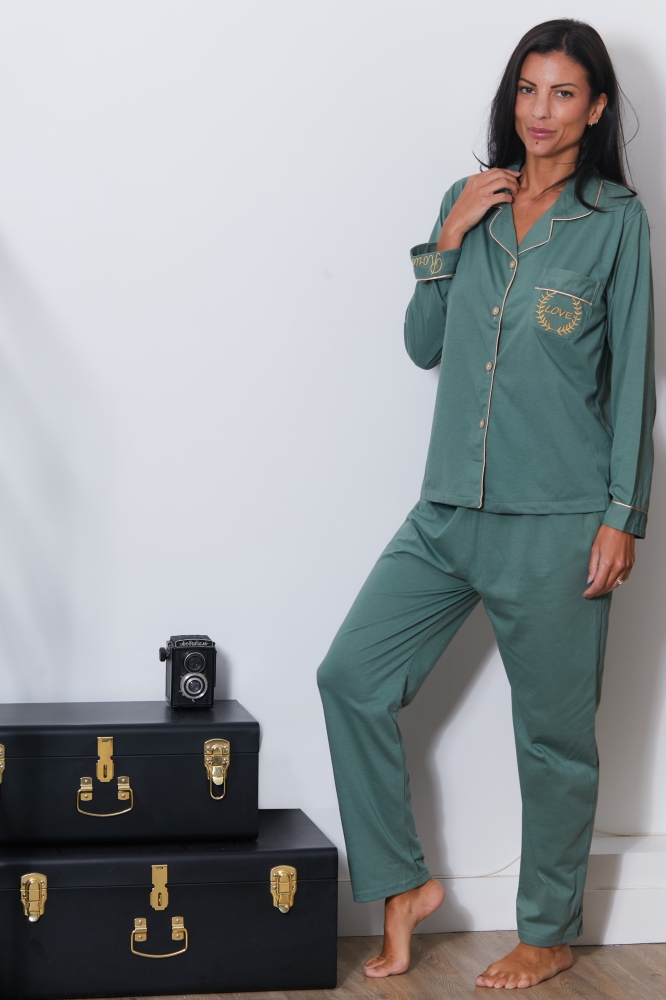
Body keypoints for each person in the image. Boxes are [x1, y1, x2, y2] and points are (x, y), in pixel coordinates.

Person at [317, 18, 655, 991]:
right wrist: (448, 235)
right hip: (446, 510)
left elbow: (635, 378)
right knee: (351, 677)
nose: (540, 111)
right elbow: (423, 344)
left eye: (563, 93)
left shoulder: (616, 221)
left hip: (558, 522)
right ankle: (401, 885)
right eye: (527, 90)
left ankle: (548, 932)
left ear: (596, 108)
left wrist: (622, 514)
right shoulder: (467, 200)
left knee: (553, 741)